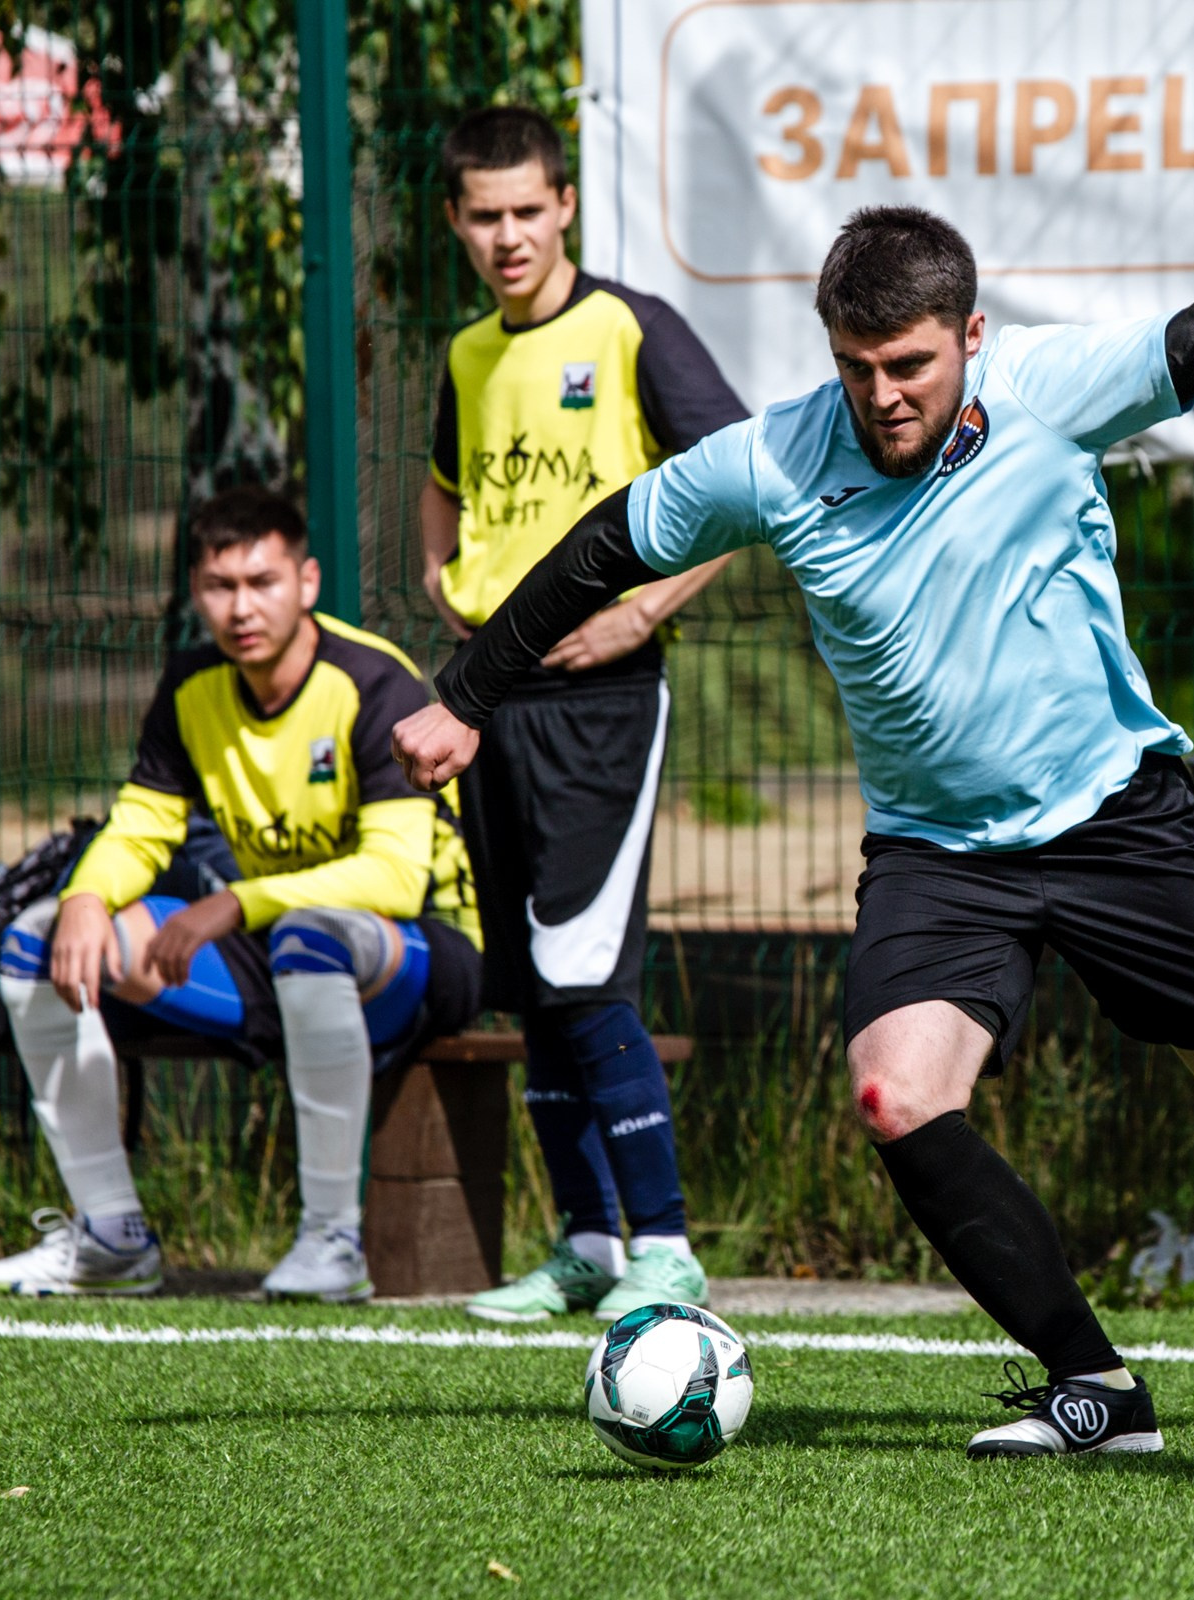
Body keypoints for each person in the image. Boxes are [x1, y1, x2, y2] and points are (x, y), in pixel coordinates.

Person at [395, 115, 1194, 1456]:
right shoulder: (778, 458)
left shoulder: (1053, 390)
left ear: (971, 339)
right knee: (895, 1092)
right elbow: (602, 548)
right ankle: (1094, 1388)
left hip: (1118, 822)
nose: (886, 395)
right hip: (940, 856)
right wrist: (466, 701)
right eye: (860, 366)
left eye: (913, 365)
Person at [0, 486, 482, 1302]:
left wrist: (234, 904)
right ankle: (111, 1235)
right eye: (220, 586)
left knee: (310, 933)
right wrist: (85, 897)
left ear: (307, 582)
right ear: (197, 591)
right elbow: (141, 826)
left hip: (420, 953)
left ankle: (331, 1244)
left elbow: (394, 877)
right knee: (38, 939)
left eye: (262, 582)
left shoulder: (372, 680)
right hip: (277, 945)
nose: (241, 607)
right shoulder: (192, 686)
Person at [425, 106, 746, 1323]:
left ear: (564, 207)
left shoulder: (628, 329)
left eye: (527, 211)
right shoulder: (465, 353)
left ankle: (664, 1243)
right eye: (484, 216)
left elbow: (737, 473)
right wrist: (446, 584)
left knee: (583, 968)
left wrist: (640, 612)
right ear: (455, 221)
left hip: (603, 700)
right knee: (526, 980)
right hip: (492, 700)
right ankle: (585, 1248)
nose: (508, 237)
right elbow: (444, 486)